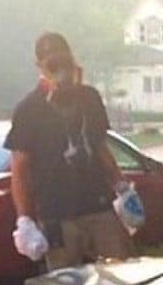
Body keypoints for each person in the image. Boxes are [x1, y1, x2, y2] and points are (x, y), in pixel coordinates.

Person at [7, 32, 140, 270]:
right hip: (56, 213)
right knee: (67, 284)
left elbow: (100, 146)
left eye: (63, 61)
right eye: (52, 63)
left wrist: (123, 188)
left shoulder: (89, 97)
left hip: (97, 203)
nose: (60, 69)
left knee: (125, 267)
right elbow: (19, 167)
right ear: (40, 67)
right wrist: (25, 219)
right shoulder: (29, 108)